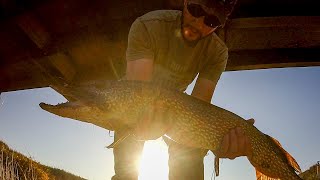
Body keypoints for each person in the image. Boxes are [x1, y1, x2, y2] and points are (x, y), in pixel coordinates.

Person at [112, 0, 253, 179]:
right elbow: (138, 94)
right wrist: (141, 122)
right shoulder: (148, 26)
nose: (199, 23)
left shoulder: (217, 52)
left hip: (178, 104)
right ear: (185, 2)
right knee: (127, 159)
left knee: (190, 152)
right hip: (135, 98)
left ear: (218, 25)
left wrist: (215, 141)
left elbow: (199, 109)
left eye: (210, 21)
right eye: (195, 10)